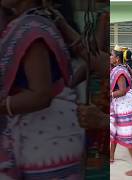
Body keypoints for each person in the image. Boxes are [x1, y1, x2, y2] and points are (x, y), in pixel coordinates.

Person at [0, 0, 85, 179]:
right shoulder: (33, 22)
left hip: (45, 142)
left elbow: (40, 95)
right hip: (44, 137)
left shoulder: (31, 28)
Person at [110, 45, 132, 176]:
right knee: (114, 130)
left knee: (127, 136)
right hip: (121, 104)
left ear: (117, 58)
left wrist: (110, 94)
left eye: (112, 55)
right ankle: (111, 156)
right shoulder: (121, 68)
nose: (110, 57)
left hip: (124, 105)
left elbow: (122, 91)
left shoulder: (120, 71)